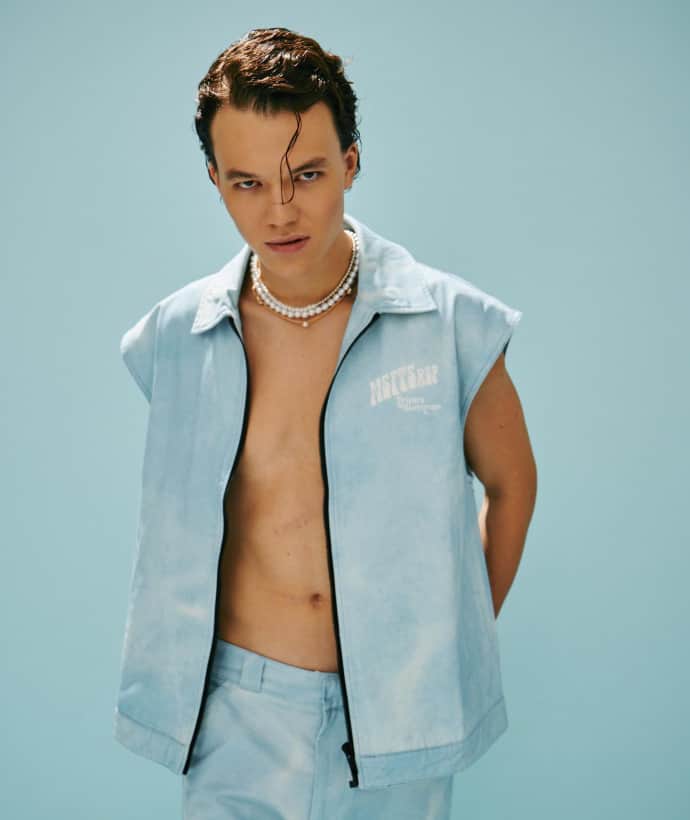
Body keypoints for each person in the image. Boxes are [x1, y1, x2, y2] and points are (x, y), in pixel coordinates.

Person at [113, 26, 537, 820]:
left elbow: (512, 485)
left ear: (351, 161)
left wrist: (446, 642)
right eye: (246, 183)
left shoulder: (449, 322)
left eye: (305, 174)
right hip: (237, 715)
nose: (279, 210)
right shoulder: (176, 337)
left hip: (399, 715)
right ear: (214, 180)